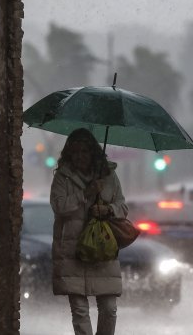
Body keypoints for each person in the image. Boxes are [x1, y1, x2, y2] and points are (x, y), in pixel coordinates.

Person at [50, 128, 128, 335]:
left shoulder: (109, 176)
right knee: (79, 310)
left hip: (102, 250)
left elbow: (122, 206)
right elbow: (59, 206)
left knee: (109, 309)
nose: (80, 156)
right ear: (69, 154)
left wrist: (108, 209)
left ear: (93, 153)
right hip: (72, 251)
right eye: (75, 152)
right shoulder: (62, 177)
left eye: (85, 151)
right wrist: (85, 194)